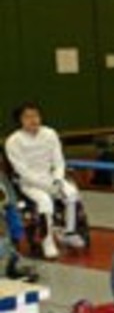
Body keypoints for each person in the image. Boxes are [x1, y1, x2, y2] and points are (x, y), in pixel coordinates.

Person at [5, 103, 84, 259]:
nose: (33, 120)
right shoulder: (13, 141)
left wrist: (58, 180)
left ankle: (68, 232)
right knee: (45, 201)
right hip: (29, 183)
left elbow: (59, 161)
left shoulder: (50, 133)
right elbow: (22, 171)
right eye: (27, 117)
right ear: (20, 120)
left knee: (72, 193)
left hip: (51, 178)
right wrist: (46, 186)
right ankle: (47, 242)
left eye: (35, 115)